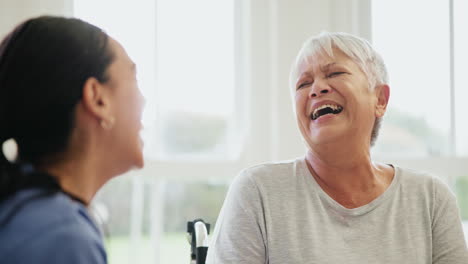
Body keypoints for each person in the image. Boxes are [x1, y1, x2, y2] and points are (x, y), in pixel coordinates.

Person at [206, 32, 468, 263]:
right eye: (303, 84)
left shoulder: (430, 198)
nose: (317, 88)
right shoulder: (257, 191)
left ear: (380, 99)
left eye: (335, 73)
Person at [0, 16, 145, 263]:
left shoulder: (24, 212)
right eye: (134, 78)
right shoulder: (62, 238)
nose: (143, 100)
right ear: (97, 99)